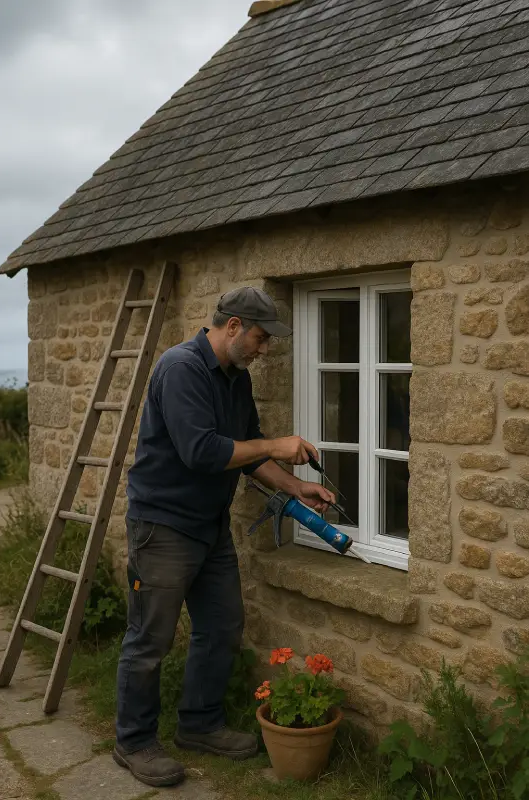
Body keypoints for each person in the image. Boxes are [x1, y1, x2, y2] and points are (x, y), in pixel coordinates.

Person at [113, 286, 334, 788]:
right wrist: (279, 443)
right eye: (259, 337)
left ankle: (199, 724)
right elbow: (201, 451)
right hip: (163, 526)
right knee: (150, 638)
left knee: (223, 625)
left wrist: (296, 486)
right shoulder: (180, 369)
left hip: (209, 527)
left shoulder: (237, 378)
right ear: (232, 326)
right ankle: (133, 741)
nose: (264, 347)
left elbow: (250, 453)